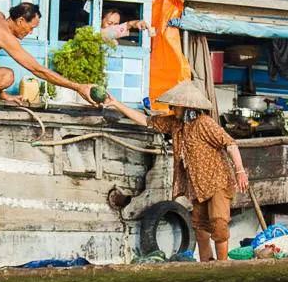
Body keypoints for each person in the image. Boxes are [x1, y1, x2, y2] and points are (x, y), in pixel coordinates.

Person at [104, 80, 249, 262]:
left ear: (187, 106)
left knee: (219, 226)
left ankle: (223, 266)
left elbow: (230, 144)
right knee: (201, 231)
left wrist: (240, 171)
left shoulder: (204, 123)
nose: (173, 108)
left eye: (176, 105)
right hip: (198, 186)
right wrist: (116, 103)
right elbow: (146, 121)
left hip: (218, 181)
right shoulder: (175, 124)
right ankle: (207, 267)